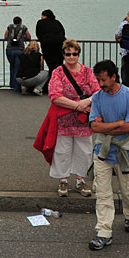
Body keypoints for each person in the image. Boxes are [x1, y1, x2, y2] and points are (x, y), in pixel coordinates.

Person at [88, 59, 129, 251]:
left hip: (124, 153)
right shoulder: (96, 97)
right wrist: (118, 124)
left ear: (113, 77)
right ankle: (104, 232)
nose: (100, 84)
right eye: (98, 80)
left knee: (128, 192)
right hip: (102, 153)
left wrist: (105, 128)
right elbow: (94, 126)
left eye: (103, 80)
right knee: (103, 194)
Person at [47, 40, 100, 197]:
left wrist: (87, 102)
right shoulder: (58, 72)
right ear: (63, 55)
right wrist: (78, 105)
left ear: (79, 54)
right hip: (64, 120)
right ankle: (63, 180)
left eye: (74, 54)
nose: (71, 57)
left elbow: (97, 91)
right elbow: (55, 96)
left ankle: (80, 180)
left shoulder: (88, 72)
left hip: (83, 121)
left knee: (84, 152)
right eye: (68, 54)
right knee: (62, 151)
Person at [35, 9, 66, 87]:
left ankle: (53, 86)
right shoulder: (57, 22)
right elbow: (63, 32)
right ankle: (60, 84)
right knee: (59, 64)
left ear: (45, 16)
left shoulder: (40, 22)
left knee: (52, 65)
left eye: (42, 15)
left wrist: (43, 40)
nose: (41, 17)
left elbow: (38, 34)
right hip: (61, 44)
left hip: (48, 45)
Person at [4, 16, 31, 93]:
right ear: (21, 21)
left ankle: (12, 85)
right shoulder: (24, 27)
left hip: (9, 49)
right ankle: (17, 87)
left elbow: (5, 36)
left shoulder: (10, 26)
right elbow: (29, 37)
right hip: (19, 49)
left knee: (12, 67)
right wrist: (24, 38)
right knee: (17, 68)